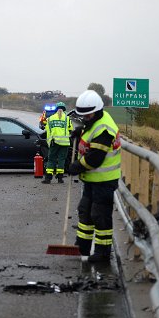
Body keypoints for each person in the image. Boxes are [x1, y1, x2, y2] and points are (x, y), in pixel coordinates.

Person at [66, 89, 121, 263]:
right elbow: (90, 129)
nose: (85, 118)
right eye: (83, 116)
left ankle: (102, 253)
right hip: (92, 180)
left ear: (97, 111)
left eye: (87, 116)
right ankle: (81, 247)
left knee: (100, 216)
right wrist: (79, 131)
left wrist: (76, 166)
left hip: (104, 181)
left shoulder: (104, 130)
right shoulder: (94, 121)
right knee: (85, 212)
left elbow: (95, 159)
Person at [42, 102, 73, 184]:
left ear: (56, 109)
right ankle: (60, 178)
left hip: (54, 142)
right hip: (65, 143)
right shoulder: (67, 118)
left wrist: (49, 141)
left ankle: (48, 178)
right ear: (64, 109)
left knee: (51, 159)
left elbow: (47, 130)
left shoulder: (50, 118)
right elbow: (70, 129)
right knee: (61, 160)